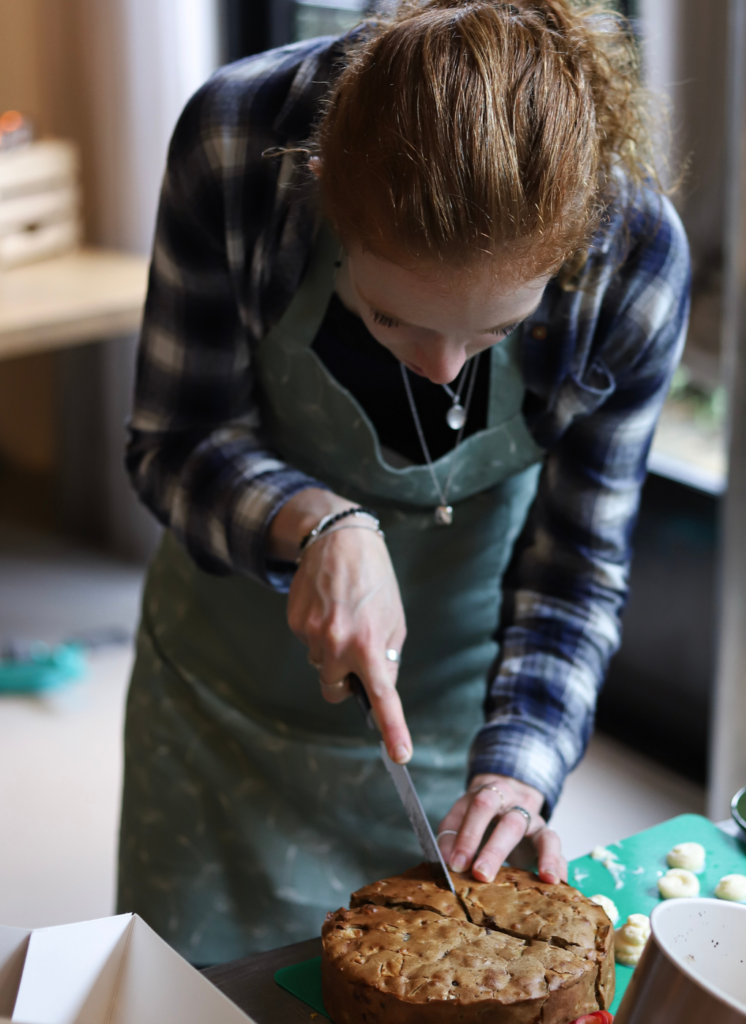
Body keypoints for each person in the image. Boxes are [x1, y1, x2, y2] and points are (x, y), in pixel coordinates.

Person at [117, 0, 690, 964]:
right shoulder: (235, 141)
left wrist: (519, 773)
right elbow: (173, 439)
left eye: (496, 333)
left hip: (445, 734)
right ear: (321, 190)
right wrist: (315, 520)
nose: (443, 372)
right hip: (222, 715)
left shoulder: (635, 259)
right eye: (390, 319)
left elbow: (574, 569)